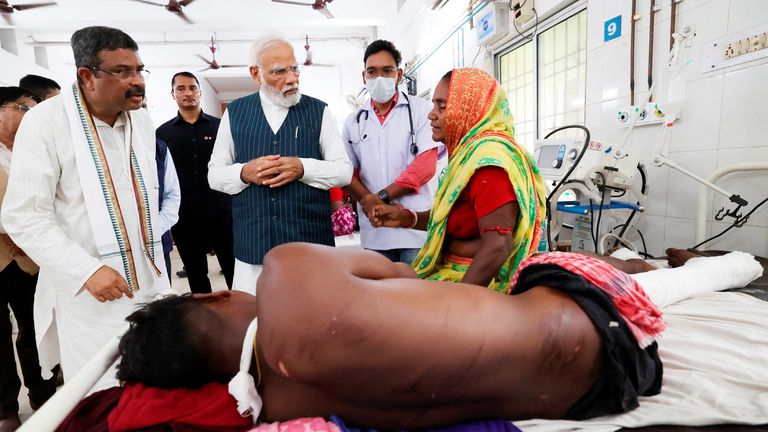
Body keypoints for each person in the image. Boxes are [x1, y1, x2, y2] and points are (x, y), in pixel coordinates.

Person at [115, 243, 762, 430]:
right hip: (600, 323)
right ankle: (728, 264)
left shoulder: (277, 407)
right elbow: (401, 272)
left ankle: (688, 266)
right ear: (210, 294)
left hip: (599, 394)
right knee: (567, 262)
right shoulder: (287, 271)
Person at [1, 26, 170, 392]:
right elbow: (23, 216)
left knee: (154, 387)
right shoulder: (46, 122)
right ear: (86, 76)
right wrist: (87, 270)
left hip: (150, 280)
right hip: (90, 294)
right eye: (123, 71)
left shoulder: (140, 119)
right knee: (103, 393)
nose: (137, 81)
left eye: (140, 70)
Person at [372, 68, 548, 291]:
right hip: (456, 268)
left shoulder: (489, 164)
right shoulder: (466, 156)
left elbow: (498, 246)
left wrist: (458, 305)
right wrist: (407, 218)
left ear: (469, 110)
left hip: (477, 280)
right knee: (382, 276)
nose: (431, 114)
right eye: (433, 105)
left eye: (442, 106)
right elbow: (457, 221)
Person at [208, 35, 352, 295]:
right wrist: (243, 173)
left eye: (294, 68)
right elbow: (214, 175)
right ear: (256, 74)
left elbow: (344, 171)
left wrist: (303, 168)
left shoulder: (318, 111)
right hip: (254, 246)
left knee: (313, 320)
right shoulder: (235, 113)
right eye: (279, 71)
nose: (292, 78)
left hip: (310, 246)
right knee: (255, 322)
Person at [342, 40, 443, 264]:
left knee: (416, 296)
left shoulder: (421, 111)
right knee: (379, 297)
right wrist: (369, 201)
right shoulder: (354, 121)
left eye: (387, 71)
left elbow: (425, 166)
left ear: (399, 74)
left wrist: (379, 198)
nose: (379, 78)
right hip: (375, 232)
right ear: (363, 76)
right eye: (372, 71)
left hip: (416, 231)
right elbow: (348, 172)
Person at [0, 87, 55, 432]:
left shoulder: (30, 150)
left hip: (29, 257)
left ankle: (43, 389)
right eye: (23, 108)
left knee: (34, 324)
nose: (29, 115)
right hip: (1, 254)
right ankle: (6, 406)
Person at [156, 72, 234, 293]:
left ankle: (240, 313)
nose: (187, 93)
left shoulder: (221, 127)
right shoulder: (162, 134)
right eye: (181, 88)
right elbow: (160, 177)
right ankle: (205, 320)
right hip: (184, 215)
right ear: (173, 94)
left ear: (200, 92)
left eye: (192, 88)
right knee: (195, 270)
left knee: (232, 266)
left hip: (222, 209)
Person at [155, 137, 180, 283]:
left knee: (161, 301)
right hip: (109, 252)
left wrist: (154, 230)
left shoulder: (158, 146)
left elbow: (172, 195)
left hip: (157, 243)